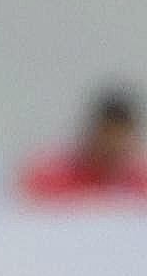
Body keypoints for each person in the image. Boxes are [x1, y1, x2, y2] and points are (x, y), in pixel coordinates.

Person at [18, 87, 147, 203]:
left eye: (119, 141)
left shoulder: (140, 183)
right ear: (91, 134)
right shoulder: (49, 178)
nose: (111, 147)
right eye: (106, 138)